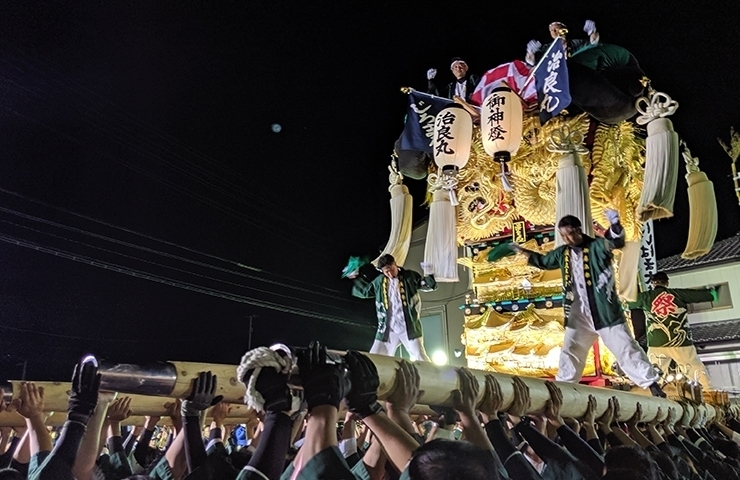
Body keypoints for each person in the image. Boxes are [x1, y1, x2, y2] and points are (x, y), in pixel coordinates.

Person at [510, 211, 666, 397]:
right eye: (563, 235)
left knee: (626, 347)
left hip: (605, 311)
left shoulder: (596, 246)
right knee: (570, 350)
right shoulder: (563, 253)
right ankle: (564, 391)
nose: (567, 238)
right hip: (579, 314)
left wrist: (615, 223)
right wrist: (521, 250)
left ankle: (651, 384)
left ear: (578, 230)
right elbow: (544, 261)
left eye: (570, 233)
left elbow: (615, 242)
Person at [628, 271, 715, 389]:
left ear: (653, 283)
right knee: (694, 368)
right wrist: (714, 292)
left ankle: (652, 394)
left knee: (653, 373)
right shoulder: (678, 294)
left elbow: (627, 304)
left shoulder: (646, 297)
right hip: (680, 341)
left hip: (657, 343)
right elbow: (707, 295)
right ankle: (708, 392)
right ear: (667, 283)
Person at [347, 254, 436, 361]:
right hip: (388, 329)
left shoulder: (409, 276)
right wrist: (356, 278)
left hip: (407, 327)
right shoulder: (380, 281)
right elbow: (366, 291)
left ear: (395, 264)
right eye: (386, 271)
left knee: (420, 356)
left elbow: (426, 284)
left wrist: (429, 273)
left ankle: (433, 377)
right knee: (374, 358)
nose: (389, 273)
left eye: (391, 269)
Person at [525, 20, 600, 66]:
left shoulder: (576, 43)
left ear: (564, 29)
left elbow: (593, 45)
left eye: (556, 28)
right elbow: (533, 63)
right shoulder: (547, 48)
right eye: (551, 30)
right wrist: (530, 53)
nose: (554, 31)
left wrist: (592, 32)